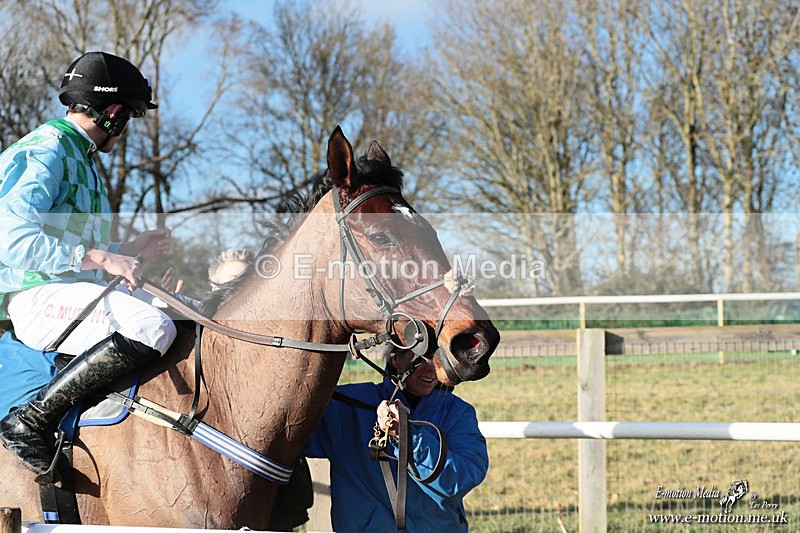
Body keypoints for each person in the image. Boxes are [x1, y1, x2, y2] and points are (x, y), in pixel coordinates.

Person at [0, 51, 176, 480]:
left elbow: (77, 252)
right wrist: (100, 256)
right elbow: (10, 240)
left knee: (179, 313)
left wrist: (126, 248)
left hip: (68, 294)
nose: (128, 126)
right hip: (35, 298)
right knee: (152, 327)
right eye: (131, 115)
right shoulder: (47, 148)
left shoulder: (83, 159)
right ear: (113, 112)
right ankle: (30, 421)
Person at [303, 347, 489, 532]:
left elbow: (458, 482)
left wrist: (407, 436)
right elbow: (290, 433)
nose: (431, 368)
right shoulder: (345, 406)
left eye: (439, 359)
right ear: (395, 359)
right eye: (421, 358)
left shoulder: (458, 413)